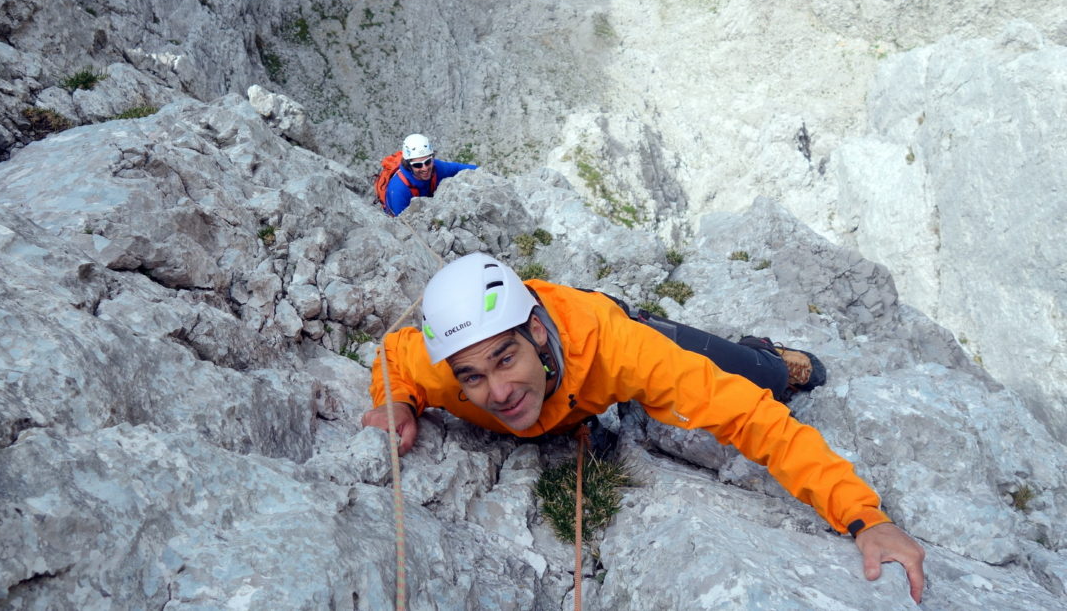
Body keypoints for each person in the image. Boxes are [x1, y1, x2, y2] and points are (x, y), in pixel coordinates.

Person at [362, 252, 926, 603]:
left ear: (536, 332)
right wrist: (398, 404)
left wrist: (863, 517)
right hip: (578, 382)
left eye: (506, 360)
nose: (497, 393)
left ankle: (770, 356)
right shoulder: (444, 369)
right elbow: (394, 355)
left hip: (614, 328)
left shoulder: (620, 350)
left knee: (761, 379)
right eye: (474, 377)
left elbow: (747, 417)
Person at [383, 134, 478, 216]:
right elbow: (401, 223)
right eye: (417, 165)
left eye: (428, 162)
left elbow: (458, 168)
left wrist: (482, 171)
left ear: (432, 158)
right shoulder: (398, 190)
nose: (425, 168)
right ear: (408, 165)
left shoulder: (436, 167)